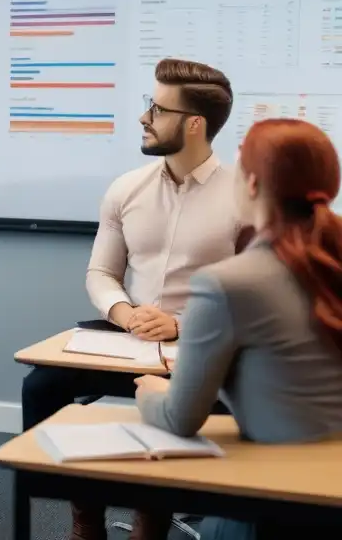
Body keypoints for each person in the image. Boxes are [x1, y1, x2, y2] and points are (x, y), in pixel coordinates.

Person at [21, 58, 247, 540]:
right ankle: (86, 516)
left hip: (203, 341)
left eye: (157, 109)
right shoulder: (126, 189)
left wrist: (183, 324)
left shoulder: (245, 197)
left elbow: (252, 296)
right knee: (41, 388)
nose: (145, 118)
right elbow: (102, 273)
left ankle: (155, 517)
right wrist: (125, 314)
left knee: (230, 402)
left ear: (193, 124)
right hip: (129, 336)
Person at [136, 118, 342, 539]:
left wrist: (151, 395)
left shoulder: (227, 284)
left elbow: (181, 418)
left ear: (250, 185)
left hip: (277, 513)